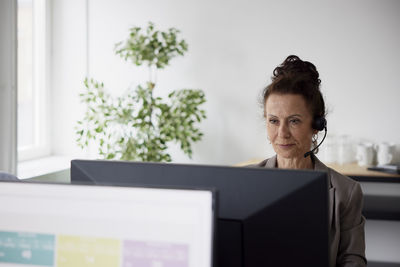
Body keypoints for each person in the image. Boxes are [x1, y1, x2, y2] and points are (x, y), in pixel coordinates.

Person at [257, 55, 366, 267]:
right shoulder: (245, 182)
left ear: (317, 125)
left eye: (294, 121)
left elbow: (353, 260)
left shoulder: (346, 192)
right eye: (273, 121)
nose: (282, 133)